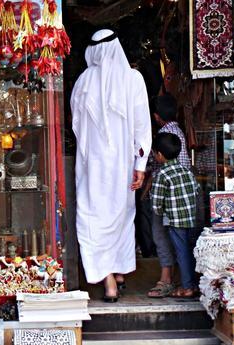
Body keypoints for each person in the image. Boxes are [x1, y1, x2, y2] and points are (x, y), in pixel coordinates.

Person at [71, 29, 152, 302]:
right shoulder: (133, 79)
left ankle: (109, 281)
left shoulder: (83, 81)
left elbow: (76, 127)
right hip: (122, 165)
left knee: (94, 218)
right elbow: (142, 126)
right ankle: (114, 276)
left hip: (92, 166)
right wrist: (140, 164)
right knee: (120, 216)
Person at [146, 94, 192, 298]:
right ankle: (187, 282)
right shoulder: (178, 131)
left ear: (156, 117)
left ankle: (171, 280)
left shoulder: (163, 136)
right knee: (184, 245)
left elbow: (156, 203)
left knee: (162, 237)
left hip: (168, 205)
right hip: (185, 208)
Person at [150, 133, 199, 298]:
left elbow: (156, 202)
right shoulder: (186, 170)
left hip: (175, 221)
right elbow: (196, 189)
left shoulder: (162, 174)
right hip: (191, 218)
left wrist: (159, 213)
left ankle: (187, 287)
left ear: (160, 155)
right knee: (189, 250)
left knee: (181, 252)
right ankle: (193, 284)